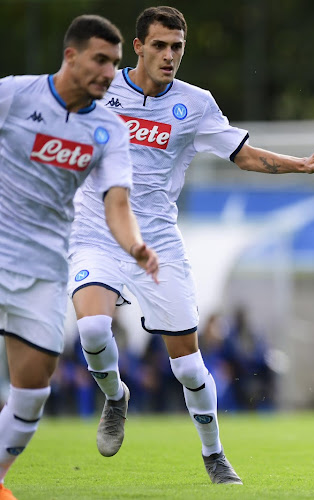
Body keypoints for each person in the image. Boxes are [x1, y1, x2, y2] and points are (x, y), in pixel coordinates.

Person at [67, 6, 314, 485]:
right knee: (92, 330)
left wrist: (301, 166)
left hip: (159, 244)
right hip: (98, 231)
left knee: (190, 366)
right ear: (138, 47)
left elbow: (244, 154)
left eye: (177, 47)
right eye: (160, 45)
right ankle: (116, 397)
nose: (170, 55)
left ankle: (214, 454)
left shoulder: (195, 104)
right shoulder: (102, 87)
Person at [0, 15, 159, 500]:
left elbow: (117, 202)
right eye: (100, 59)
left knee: (32, 393)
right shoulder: (13, 95)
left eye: (114, 63)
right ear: (70, 56)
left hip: (46, 267)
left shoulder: (108, 127)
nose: (109, 71)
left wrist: (133, 244)